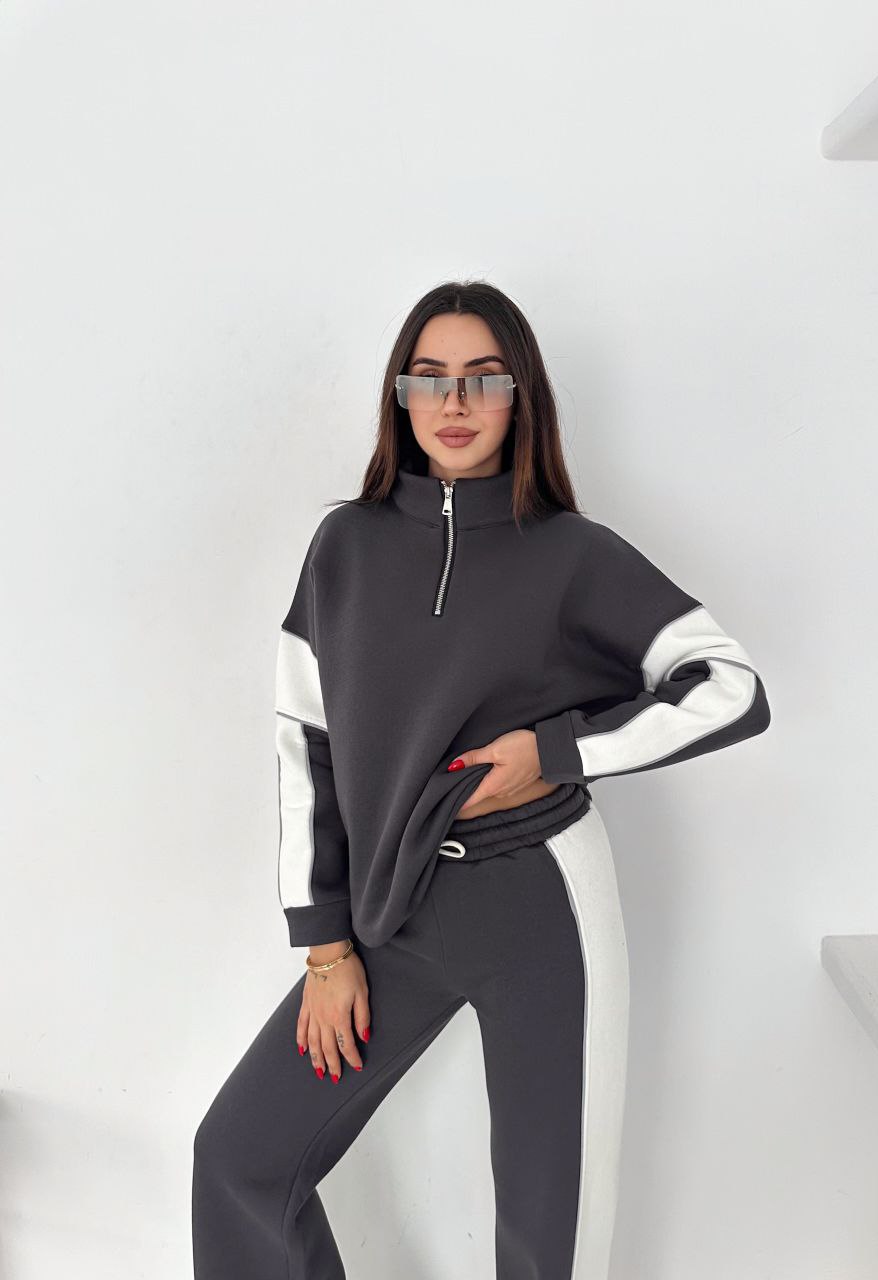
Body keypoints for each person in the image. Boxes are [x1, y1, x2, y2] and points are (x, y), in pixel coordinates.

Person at [191, 279, 771, 1279]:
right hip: (394, 911)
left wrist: (557, 751)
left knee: (550, 1237)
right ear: (401, 397)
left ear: (519, 396)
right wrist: (325, 948)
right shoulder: (345, 547)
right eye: (430, 377)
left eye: (482, 378)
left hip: (543, 906)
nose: (454, 402)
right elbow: (305, 748)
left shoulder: (572, 554)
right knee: (241, 1158)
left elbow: (730, 686)